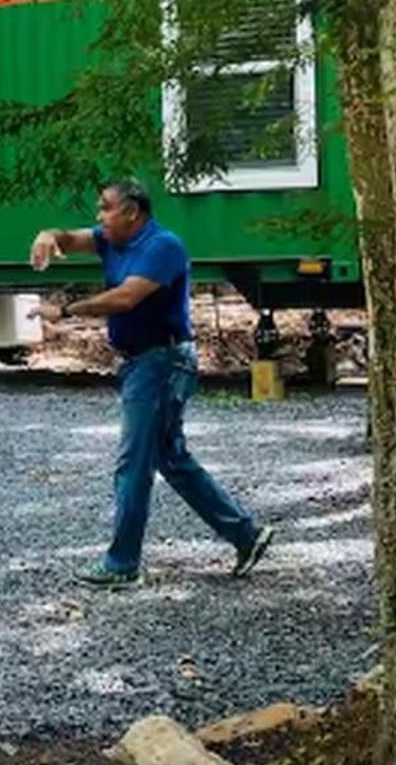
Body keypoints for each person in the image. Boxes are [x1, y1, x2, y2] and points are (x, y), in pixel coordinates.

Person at [32, 179, 273, 587]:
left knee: (134, 462)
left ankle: (122, 565)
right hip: (140, 362)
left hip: (162, 363)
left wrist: (68, 310)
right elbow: (68, 239)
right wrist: (47, 236)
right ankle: (245, 535)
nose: (99, 216)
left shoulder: (163, 247)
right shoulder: (111, 238)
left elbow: (126, 298)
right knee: (170, 458)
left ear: (132, 212)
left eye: (106, 207)